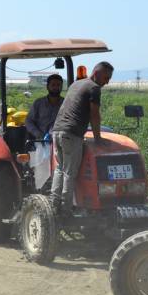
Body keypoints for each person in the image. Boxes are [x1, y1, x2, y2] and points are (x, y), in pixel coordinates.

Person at [49, 62, 114, 214]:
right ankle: (66, 209)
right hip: (72, 133)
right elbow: (95, 115)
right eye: (106, 77)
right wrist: (97, 138)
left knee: (60, 168)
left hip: (57, 131)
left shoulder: (76, 84)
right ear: (97, 73)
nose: (107, 82)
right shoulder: (94, 88)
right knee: (70, 172)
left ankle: (54, 203)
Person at [25, 74, 64, 141]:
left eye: (58, 85)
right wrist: (38, 134)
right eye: (53, 85)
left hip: (60, 140)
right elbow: (29, 121)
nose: (56, 87)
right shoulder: (38, 103)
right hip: (40, 141)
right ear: (47, 87)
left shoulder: (66, 104)